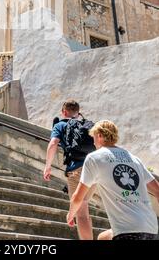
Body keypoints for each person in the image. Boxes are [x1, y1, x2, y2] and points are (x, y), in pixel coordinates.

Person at [67, 120, 159, 241]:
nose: (93, 142)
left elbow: (78, 197)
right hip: (151, 227)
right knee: (103, 237)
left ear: (99, 135)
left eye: (93, 137)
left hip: (128, 231)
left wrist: (70, 214)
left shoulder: (94, 158)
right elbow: (157, 191)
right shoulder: (134, 158)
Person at [44, 99, 96, 240]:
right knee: (84, 207)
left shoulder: (60, 125)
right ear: (78, 113)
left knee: (81, 212)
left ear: (64, 112)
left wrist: (47, 167)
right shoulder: (87, 126)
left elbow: (53, 143)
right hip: (95, 169)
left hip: (77, 169)